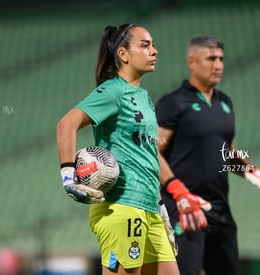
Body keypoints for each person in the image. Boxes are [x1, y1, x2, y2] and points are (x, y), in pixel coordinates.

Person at [155, 35, 260, 275]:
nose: (217, 64)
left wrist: (258, 178)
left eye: (221, 59)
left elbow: (227, 154)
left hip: (220, 210)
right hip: (185, 210)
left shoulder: (224, 102)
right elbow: (153, 152)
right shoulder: (173, 103)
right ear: (192, 62)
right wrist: (179, 192)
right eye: (210, 58)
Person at [56, 23, 179, 275]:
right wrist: (69, 178)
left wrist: (161, 206)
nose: (154, 51)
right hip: (121, 206)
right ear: (123, 54)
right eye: (145, 45)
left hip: (149, 209)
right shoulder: (112, 91)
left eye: (153, 45)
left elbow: (146, 157)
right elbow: (66, 125)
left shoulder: (143, 96)